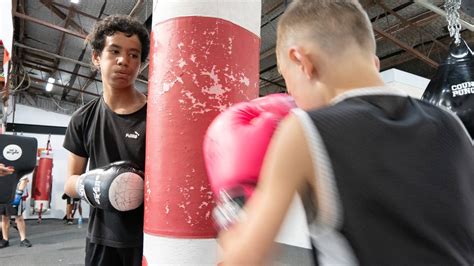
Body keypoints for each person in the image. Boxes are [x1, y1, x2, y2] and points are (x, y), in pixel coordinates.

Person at [216, 0, 474, 265]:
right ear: (374, 63)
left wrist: (233, 203)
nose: (289, 93)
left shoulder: (305, 130)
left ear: (301, 61)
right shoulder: (451, 125)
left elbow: (244, 258)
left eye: (286, 78)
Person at [63, 14, 148, 266]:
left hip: (148, 238)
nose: (124, 61)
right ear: (97, 57)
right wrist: (95, 185)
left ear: (141, 64)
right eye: (115, 52)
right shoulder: (82, 118)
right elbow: (69, 182)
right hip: (102, 240)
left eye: (134, 55)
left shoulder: (157, 115)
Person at [0, 176, 32, 248]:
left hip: (15, 195)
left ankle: (23, 239)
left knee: (19, 218)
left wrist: (18, 195)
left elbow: (24, 180)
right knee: (4, 217)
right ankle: (5, 240)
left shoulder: (19, 166)